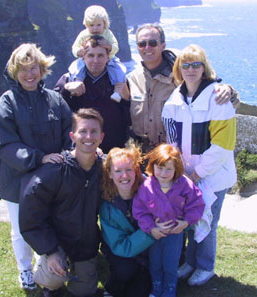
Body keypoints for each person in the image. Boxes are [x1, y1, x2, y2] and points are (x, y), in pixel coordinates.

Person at [0, 43, 72, 290]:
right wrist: (38, 158)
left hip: (51, 181)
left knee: (48, 223)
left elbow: (70, 133)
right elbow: (4, 145)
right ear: (14, 72)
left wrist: (68, 156)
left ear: (42, 69)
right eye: (23, 69)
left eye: (34, 67)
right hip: (17, 182)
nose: (29, 74)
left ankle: (43, 265)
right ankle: (24, 270)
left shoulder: (55, 100)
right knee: (20, 230)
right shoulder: (7, 103)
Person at [162, 44, 237, 286]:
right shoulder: (175, 99)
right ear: (178, 69)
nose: (191, 69)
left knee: (208, 221)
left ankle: (205, 266)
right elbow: (171, 139)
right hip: (186, 175)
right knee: (192, 219)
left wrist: (196, 174)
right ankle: (191, 262)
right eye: (186, 64)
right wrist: (180, 173)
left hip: (213, 176)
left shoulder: (218, 98)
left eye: (196, 64)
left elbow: (223, 147)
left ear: (204, 68)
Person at [19, 108, 104, 297]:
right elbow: (31, 218)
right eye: (83, 131)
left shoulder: (104, 168)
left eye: (94, 132)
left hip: (86, 246)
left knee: (85, 291)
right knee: (52, 279)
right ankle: (46, 271)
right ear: (72, 136)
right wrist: (50, 250)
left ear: (101, 137)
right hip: (56, 243)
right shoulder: (54, 171)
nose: (88, 136)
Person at [126, 23, 240, 152]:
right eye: (142, 44)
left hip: (171, 153)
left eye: (152, 43)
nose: (147, 47)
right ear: (137, 47)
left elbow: (208, 85)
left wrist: (228, 90)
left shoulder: (181, 75)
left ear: (163, 45)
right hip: (141, 151)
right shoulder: (132, 79)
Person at [133, 144, 205, 297]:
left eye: (169, 169)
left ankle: (170, 289)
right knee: (155, 263)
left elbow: (197, 204)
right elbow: (140, 210)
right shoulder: (147, 186)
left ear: (176, 169)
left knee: (171, 264)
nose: (163, 173)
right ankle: (157, 287)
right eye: (159, 168)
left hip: (174, 233)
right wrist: (151, 228)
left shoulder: (184, 184)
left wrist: (186, 222)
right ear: (152, 167)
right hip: (154, 234)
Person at [55, 35, 130, 154]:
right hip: (80, 151)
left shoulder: (119, 81)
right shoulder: (70, 79)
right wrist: (66, 89)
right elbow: (55, 112)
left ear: (108, 58)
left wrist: (127, 100)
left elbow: (131, 119)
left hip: (114, 150)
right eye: (91, 55)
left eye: (100, 55)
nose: (96, 60)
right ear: (83, 58)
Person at [99, 144, 155, 297]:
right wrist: (151, 234)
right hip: (122, 252)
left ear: (136, 171)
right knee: (125, 271)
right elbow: (120, 246)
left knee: (138, 291)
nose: (124, 176)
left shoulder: (150, 193)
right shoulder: (107, 206)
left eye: (129, 170)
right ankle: (112, 288)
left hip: (147, 253)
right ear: (109, 174)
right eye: (118, 171)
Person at [69, 5, 126, 102]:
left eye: (98, 25)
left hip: (110, 59)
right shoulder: (84, 34)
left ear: (104, 24)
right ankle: (77, 82)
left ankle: (117, 92)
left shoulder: (107, 33)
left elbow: (116, 47)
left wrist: (109, 46)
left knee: (119, 71)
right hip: (85, 60)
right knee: (76, 67)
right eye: (91, 25)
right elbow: (75, 47)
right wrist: (79, 52)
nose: (95, 28)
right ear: (86, 25)